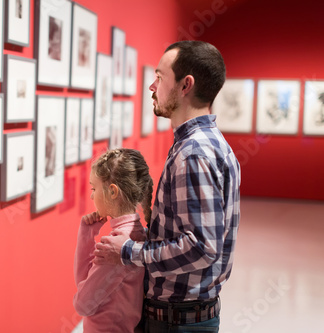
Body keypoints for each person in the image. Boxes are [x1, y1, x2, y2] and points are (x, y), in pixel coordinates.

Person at [93, 41, 241, 332]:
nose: (152, 86)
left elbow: (201, 247)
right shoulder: (208, 144)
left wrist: (129, 252)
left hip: (178, 321)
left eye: (160, 77)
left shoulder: (194, 153)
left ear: (186, 85)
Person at [73, 148, 154, 333]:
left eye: (94, 188)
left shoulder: (115, 247)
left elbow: (83, 304)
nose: (92, 195)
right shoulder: (137, 234)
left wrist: (85, 236)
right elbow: (86, 284)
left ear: (112, 191)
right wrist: (87, 234)